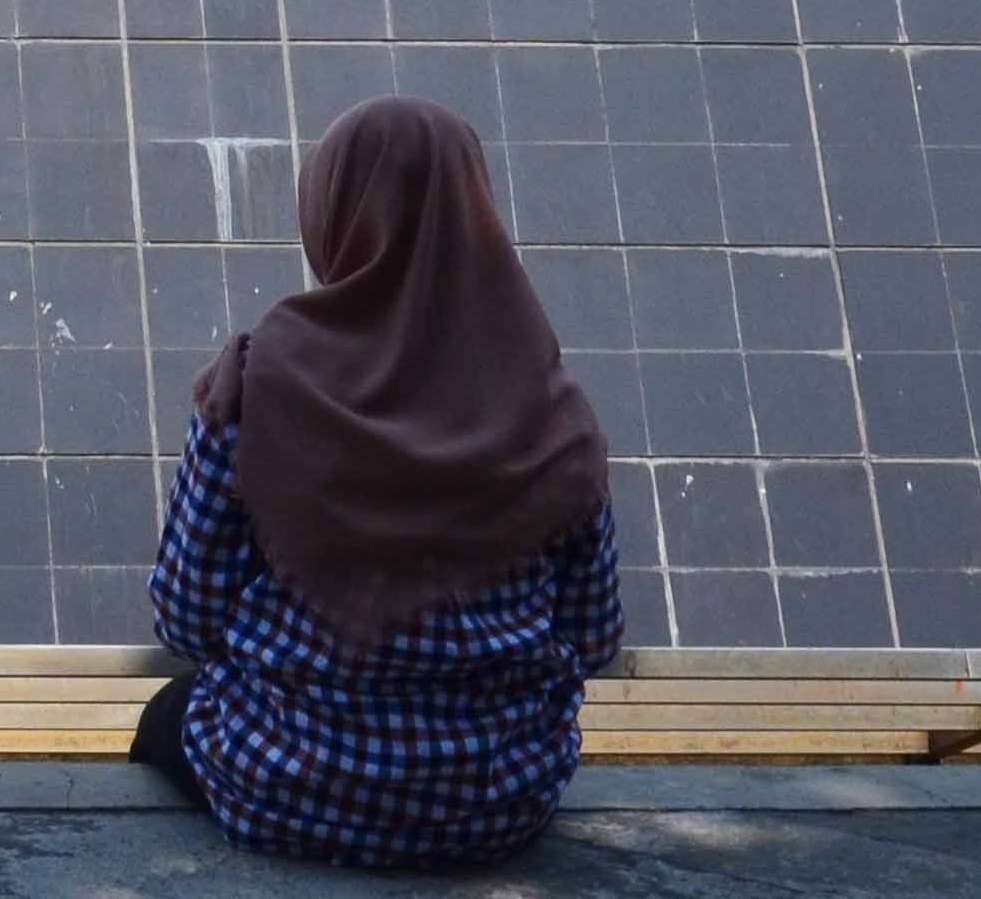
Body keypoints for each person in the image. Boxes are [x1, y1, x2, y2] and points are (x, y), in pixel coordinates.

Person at [135, 97, 624, 870]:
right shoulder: (549, 408)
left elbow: (187, 618)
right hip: (496, 804)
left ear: (333, 211)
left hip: (285, 792)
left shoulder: (257, 386)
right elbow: (593, 637)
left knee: (163, 718)